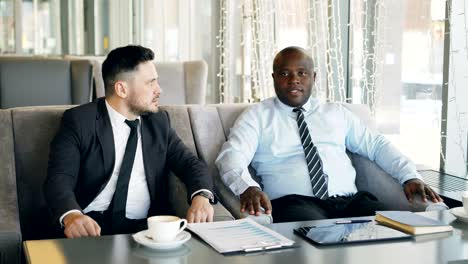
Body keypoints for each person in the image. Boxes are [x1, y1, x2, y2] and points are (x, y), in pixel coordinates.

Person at [215, 46, 443, 223]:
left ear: (313, 77)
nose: (294, 79)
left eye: (301, 73)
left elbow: (376, 145)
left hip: (351, 202)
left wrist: (409, 175)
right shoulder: (257, 116)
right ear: (274, 77)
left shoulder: (336, 113)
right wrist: (246, 186)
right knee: (314, 237)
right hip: (295, 204)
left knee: (390, 228)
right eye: (285, 73)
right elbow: (231, 155)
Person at [44, 45, 215, 238]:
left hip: (146, 229)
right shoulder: (80, 121)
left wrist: (202, 196)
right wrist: (72, 216)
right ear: (122, 89)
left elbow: (190, 164)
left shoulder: (158, 122)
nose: (159, 89)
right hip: (91, 227)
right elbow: (59, 179)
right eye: (150, 83)